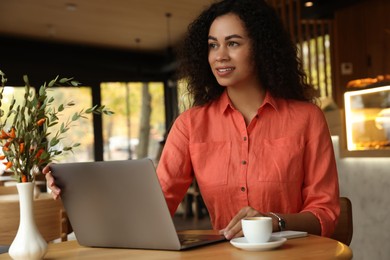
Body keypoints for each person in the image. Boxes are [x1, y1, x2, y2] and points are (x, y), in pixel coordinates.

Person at [44, 0, 340, 241]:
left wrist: (274, 221)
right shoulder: (190, 124)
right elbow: (153, 204)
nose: (220, 56)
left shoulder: (307, 118)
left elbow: (326, 212)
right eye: (213, 45)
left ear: (261, 48)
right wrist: (80, 193)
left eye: (233, 43)